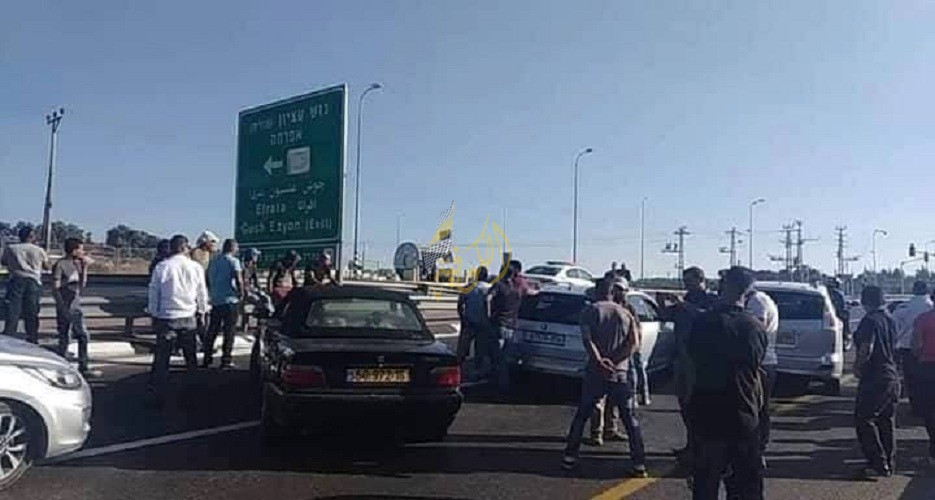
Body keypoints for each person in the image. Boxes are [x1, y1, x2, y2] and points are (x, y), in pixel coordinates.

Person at [687, 266, 767, 500]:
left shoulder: (702, 322)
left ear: (722, 287)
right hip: (743, 414)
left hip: (707, 413)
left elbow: (691, 364)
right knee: (746, 487)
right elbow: (756, 372)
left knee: (705, 485)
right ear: (747, 292)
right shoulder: (754, 327)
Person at [561, 278, 647, 478]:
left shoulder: (590, 311)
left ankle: (570, 457)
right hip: (620, 374)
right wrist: (615, 361)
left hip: (595, 373)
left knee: (582, 415)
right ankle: (639, 463)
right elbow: (634, 343)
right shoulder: (625, 313)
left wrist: (600, 361)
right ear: (612, 292)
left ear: (597, 291)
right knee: (630, 419)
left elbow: (587, 339)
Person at [659, 266, 717, 465]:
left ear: (700, 280)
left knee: (698, 404)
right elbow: (666, 316)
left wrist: (684, 305)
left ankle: (701, 446)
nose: (687, 285)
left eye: (689, 281)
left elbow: (708, 318)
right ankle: (691, 444)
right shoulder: (687, 299)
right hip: (681, 357)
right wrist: (662, 301)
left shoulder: (710, 299)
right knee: (684, 403)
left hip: (699, 359)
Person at [148, 235, 208, 403]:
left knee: (162, 358)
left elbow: (154, 292)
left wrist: (153, 313)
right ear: (184, 247)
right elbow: (201, 292)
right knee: (190, 357)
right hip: (188, 315)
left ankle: (159, 394)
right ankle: (193, 392)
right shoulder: (195, 267)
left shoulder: (162, 267)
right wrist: (202, 311)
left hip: (167, 316)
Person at [853, 285, 900, 479]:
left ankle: (877, 462)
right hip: (891, 374)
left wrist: (858, 366)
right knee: (886, 420)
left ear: (865, 302)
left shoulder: (869, 321)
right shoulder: (890, 319)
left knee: (864, 419)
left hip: (875, 376)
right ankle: (889, 460)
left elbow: (867, 347)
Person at [589, 274, 639, 445]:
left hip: (617, 361)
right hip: (611, 361)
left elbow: (635, 336)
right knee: (599, 399)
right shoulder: (602, 308)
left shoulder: (628, 309)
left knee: (613, 400)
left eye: (621, 290)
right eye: (616, 289)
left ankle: (610, 429)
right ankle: (597, 432)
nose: (619, 292)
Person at [744, 286, 779, 469]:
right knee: (760, 410)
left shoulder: (756, 302)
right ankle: (757, 451)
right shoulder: (762, 299)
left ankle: (756, 452)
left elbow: (758, 327)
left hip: (760, 363)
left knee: (755, 410)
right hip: (765, 362)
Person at [51, 238, 97, 376]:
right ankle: (62, 367)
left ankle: (83, 365)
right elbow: (55, 288)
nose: (83, 252)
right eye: (81, 249)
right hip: (65, 305)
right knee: (65, 336)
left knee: (83, 335)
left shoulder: (78, 264)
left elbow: (82, 285)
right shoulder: (61, 264)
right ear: (74, 250)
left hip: (75, 304)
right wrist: (61, 306)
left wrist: (85, 267)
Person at [1, 226, 50, 343]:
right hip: (33, 280)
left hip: (16, 279)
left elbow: (3, 262)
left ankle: (9, 335)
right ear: (31, 237)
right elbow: (47, 266)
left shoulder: (10, 248)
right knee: (32, 311)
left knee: (13, 310)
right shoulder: (38, 250)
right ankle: (32, 337)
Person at [891, 281, 932, 417]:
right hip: (928, 349)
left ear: (914, 291)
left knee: (911, 379)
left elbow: (894, 326)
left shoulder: (904, 307)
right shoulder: (930, 307)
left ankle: (916, 406)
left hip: (907, 347)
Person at [203, 239, 244, 369]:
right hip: (230, 300)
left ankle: (207, 358)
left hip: (216, 300)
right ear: (233, 248)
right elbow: (239, 279)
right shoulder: (233, 261)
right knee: (229, 331)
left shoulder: (213, 261)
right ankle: (226, 360)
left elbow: (206, 278)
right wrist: (242, 293)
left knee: (212, 330)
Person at [487, 262, 523, 393]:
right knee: (505, 357)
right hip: (512, 326)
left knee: (496, 357)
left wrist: (488, 314)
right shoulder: (517, 288)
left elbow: (488, 298)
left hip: (500, 324)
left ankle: (497, 384)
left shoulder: (498, 285)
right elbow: (530, 292)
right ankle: (504, 383)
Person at [911, 295, 935, 469]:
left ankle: (933, 453)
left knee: (929, 413)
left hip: (927, 368)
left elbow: (916, 345)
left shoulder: (923, 319)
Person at [457, 266, 491, 369]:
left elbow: (460, 305)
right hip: (484, 323)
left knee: (463, 347)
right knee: (480, 348)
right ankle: (478, 367)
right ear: (486, 276)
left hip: (469, 321)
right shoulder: (490, 288)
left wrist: (462, 318)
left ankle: (459, 365)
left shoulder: (468, 287)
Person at [827, 278, 852, 349]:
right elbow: (843, 305)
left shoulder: (825, 292)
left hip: (829, 313)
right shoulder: (838, 293)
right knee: (846, 316)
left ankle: (845, 336)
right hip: (836, 313)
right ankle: (846, 335)